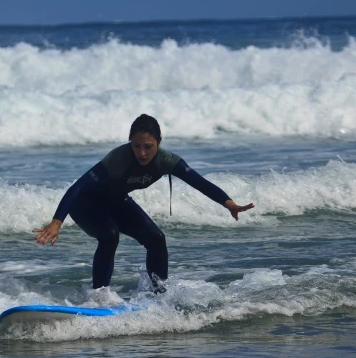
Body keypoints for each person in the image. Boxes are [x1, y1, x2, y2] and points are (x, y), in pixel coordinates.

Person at [33, 114, 254, 292]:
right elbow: (77, 187)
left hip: (117, 201)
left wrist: (228, 203)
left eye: (148, 146)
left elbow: (199, 182)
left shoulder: (167, 160)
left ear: (159, 143)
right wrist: (56, 222)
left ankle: (159, 295)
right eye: (136, 145)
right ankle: (99, 296)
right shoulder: (118, 158)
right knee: (109, 235)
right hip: (85, 204)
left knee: (156, 239)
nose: (142, 152)